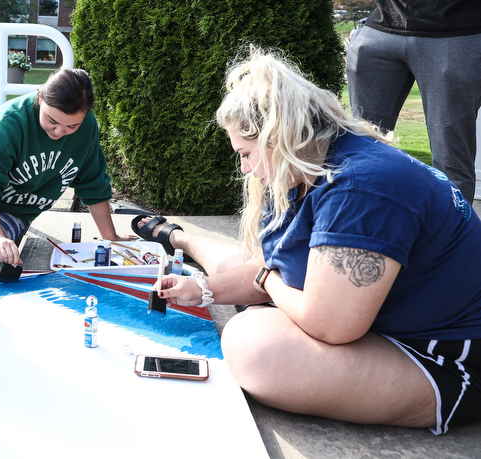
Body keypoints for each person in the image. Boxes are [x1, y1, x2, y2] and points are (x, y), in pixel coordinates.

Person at [142, 46, 481, 434]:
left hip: (449, 362)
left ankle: (183, 241)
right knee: (244, 276)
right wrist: (201, 288)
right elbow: (269, 262)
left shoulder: (361, 188)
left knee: (253, 346)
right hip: (399, 326)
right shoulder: (312, 164)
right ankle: (179, 238)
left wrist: (266, 282)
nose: (246, 169)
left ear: (276, 137)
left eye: (247, 154)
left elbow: (331, 324)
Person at [0, 68, 136, 280]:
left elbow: (93, 183)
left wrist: (111, 237)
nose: (59, 132)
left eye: (71, 126)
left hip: (17, 209)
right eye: (52, 121)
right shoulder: (11, 120)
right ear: (41, 97)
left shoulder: (88, 127)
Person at [345, 0, 481, 201]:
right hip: (382, 25)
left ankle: (455, 231)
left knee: (451, 159)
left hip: (456, 30)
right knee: (359, 152)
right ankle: (362, 226)